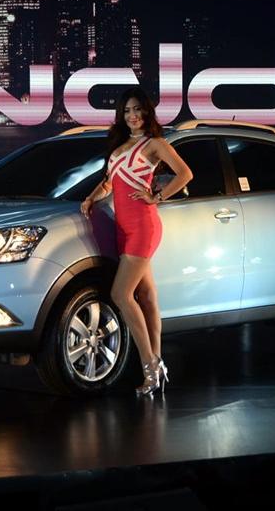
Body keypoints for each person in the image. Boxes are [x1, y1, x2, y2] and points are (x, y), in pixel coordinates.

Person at [80, 86, 193, 397]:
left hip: (144, 225)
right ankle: (159, 366)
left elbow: (185, 174)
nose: (133, 116)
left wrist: (157, 196)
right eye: (127, 111)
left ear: (147, 112)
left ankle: (150, 366)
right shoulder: (119, 146)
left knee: (121, 294)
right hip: (123, 227)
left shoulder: (155, 144)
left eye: (137, 109)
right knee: (146, 296)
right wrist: (90, 198)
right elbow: (109, 183)